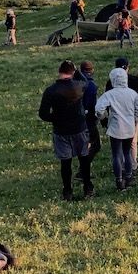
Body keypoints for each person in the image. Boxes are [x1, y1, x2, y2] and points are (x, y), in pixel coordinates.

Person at [38, 60, 91, 200]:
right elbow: (86, 81)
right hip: (79, 128)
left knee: (65, 163)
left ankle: (67, 191)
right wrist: (77, 70)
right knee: (84, 159)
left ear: (59, 72)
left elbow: (43, 114)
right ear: (72, 72)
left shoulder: (51, 91)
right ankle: (88, 188)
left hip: (61, 130)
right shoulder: (79, 86)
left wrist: (56, 119)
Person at [94, 67, 138, 191]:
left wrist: (103, 118)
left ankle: (119, 180)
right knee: (127, 152)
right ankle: (129, 176)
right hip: (129, 127)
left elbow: (98, 109)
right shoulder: (133, 94)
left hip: (115, 127)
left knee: (116, 154)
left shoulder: (110, 94)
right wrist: (134, 120)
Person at [74, 61, 101, 186]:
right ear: (92, 70)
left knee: (85, 145)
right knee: (95, 145)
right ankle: (83, 170)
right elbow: (92, 104)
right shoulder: (91, 85)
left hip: (77, 118)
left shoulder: (75, 83)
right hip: (89, 119)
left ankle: (83, 170)